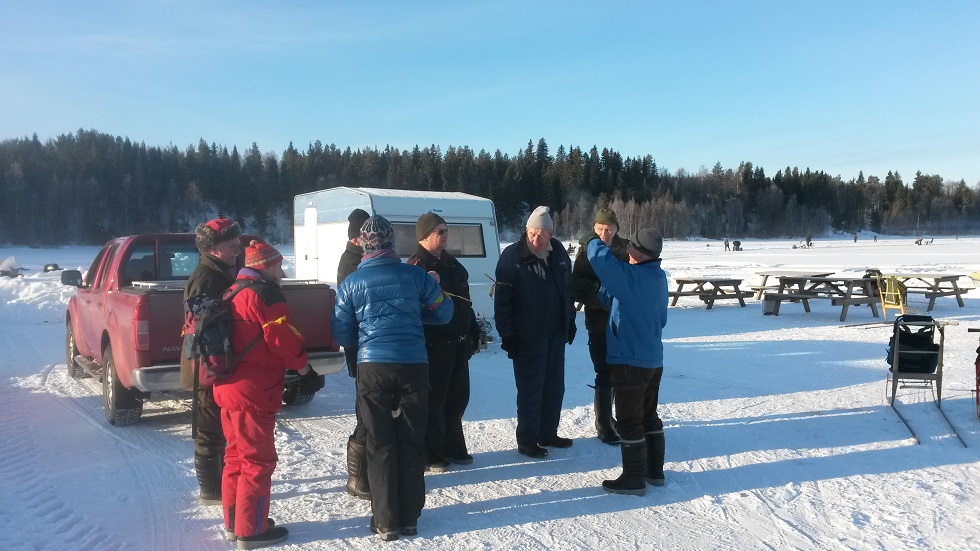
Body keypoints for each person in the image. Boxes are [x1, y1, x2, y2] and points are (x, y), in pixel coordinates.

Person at [332, 216, 454, 541]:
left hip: (372, 366)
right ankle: (410, 518)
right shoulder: (416, 276)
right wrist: (419, 309)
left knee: (379, 440)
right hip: (413, 363)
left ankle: (385, 521)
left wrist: (365, 333)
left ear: (363, 244)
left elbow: (342, 332)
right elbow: (444, 312)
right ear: (392, 242)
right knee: (412, 439)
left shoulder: (351, 284)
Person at [215, 240, 308, 548]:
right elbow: (282, 339)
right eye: (279, 265)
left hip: (227, 386)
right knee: (257, 461)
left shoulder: (232, 291)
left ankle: (235, 523)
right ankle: (251, 531)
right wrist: (303, 365)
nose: (282, 272)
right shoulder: (265, 294)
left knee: (235, 458)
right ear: (267, 266)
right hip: (254, 392)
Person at [586, 228, 668, 496]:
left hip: (630, 361)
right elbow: (654, 314)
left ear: (640, 252)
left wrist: (594, 241)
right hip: (652, 360)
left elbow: (600, 260)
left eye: (631, 245)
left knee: (629, 420)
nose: (627, 249)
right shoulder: (656, 276)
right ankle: (654, 472)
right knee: (648, 416)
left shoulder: (633, 277)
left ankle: (633, 478)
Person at [494, 206, 576, 459]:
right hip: (527, 336)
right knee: (531, 389)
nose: (535, 239)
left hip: (555, 334)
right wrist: (508, 335)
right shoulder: (512, 256)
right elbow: (502, 301)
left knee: (554, 387)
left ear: (551, 234)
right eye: (531, 233)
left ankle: (548, 432)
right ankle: (527, 439)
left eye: (540, 234)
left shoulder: (559, 253)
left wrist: (570, 321)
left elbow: (567, 291)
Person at [408, 213, 482, 472]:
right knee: (434, 400)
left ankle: (453, 445)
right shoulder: (416, 268)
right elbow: (413, 309)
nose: (445, 235)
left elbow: (465, 303)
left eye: (446, 230)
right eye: (439, 231)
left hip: (459, 343)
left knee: (458, 398)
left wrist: (473, 330)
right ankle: (432, 453)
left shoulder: (453, 265)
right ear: (424, 235)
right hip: (434, 345)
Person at [181, 218, 242, 506]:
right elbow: (203, 329)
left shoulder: (219, 272)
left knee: (217, 424)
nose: (238, 250)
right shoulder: (207, 279)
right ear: (214, 249)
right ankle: (212, 490)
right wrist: (214, 365)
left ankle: (219, 485)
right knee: (209, 426)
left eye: (238, 244)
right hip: (207, 365)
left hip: (213, 363)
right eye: (232, 246)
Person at [570, 208, 629, 445]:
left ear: (616, 229)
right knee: (604, 371)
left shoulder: (625, 248)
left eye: (609, 228)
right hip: (598, 323)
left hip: (623, 324)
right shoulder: (586, 252)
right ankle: (603, 423)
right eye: (600, 228)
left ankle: (611, 417)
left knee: (619, 371)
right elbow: (576, 286)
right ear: (594, 228)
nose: (605, 233)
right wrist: (602, 296)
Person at [338, 208, 372, 500]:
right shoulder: (352, 264)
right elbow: (347, 317)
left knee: (370, 408)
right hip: (362, 348)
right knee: (365, 410)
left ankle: (369, 472)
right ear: (357, 237)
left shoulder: (360, 259)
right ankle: (358, 477)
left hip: (367, 347)